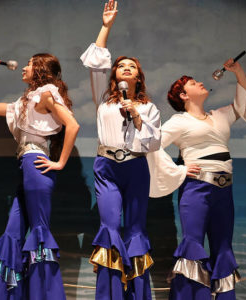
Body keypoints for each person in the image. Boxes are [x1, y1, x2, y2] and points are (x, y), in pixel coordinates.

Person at [147, 59, 246, 300]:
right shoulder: (180, 121)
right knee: (193, 246)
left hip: (225, 189)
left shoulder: (221, 114)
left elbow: (244, 103)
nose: (200, 82)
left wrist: (238, 71)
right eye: (193, 82)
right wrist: (179, 170)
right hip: (197, 188)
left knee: (223, 248)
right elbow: (152, 144)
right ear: (183, 95)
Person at [0, 53, 80, 300]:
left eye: (29, 64)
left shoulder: (46, 93)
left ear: (41, 70)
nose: (23, 67)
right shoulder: (26, 100)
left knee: (39, 234)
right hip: (26, 166)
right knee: (13, 233)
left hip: (36, 164)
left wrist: (60, 162)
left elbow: (73, 125)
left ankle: (44, 294)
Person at [79, 1, 161, 299]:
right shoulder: (104, 100)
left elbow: (153, 142)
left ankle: (138, 294)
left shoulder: (149, 107)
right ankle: (109, 293)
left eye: (132, 67)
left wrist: (136, 114)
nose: (125, 69)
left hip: (137, 167)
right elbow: (96, 61)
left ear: (138, 78)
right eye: (121, 67)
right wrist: (106, 26)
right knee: (110, 226)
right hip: (107, 167)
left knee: (136, 230)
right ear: (114, 76)